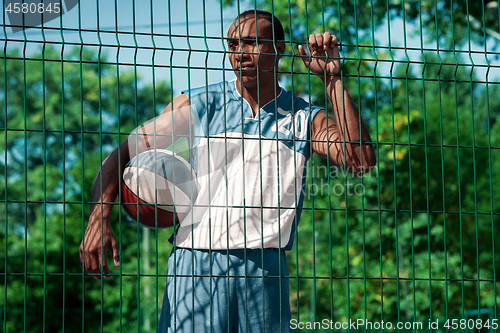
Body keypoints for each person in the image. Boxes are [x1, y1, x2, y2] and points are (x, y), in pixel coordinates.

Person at [80, 9, 375, 333]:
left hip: (265, 270)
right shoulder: (199, 107)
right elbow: (123, 152)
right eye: (233, 44)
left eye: (251, 43)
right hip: (195, 264)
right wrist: (99, 218)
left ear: (279, 48)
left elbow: (359, 160)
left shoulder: (304, 116)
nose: (239, 53)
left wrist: (332, 79)